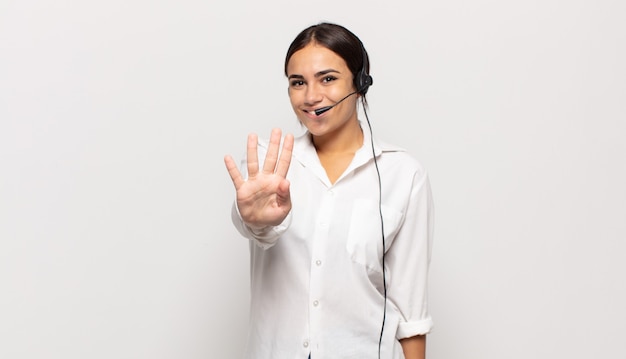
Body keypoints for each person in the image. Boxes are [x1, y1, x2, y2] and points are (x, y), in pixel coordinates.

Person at [223, 22, 435, 359]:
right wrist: (253, 219)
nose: (310, 96)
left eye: (328, 78)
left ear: (361, 82)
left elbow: (411, 312)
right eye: (298, 83)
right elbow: (256, 227)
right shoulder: (270, 165)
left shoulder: (403, 174)